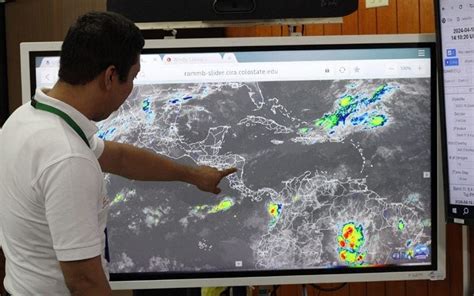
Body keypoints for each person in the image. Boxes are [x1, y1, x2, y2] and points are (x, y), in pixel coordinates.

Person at [0, 11, 236, 296]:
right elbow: (84, 281)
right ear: (110, 76)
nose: (131, 89)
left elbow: (119, 158)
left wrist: (192, 175)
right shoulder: (68, 158)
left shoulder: (24, 119)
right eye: (133, 77)